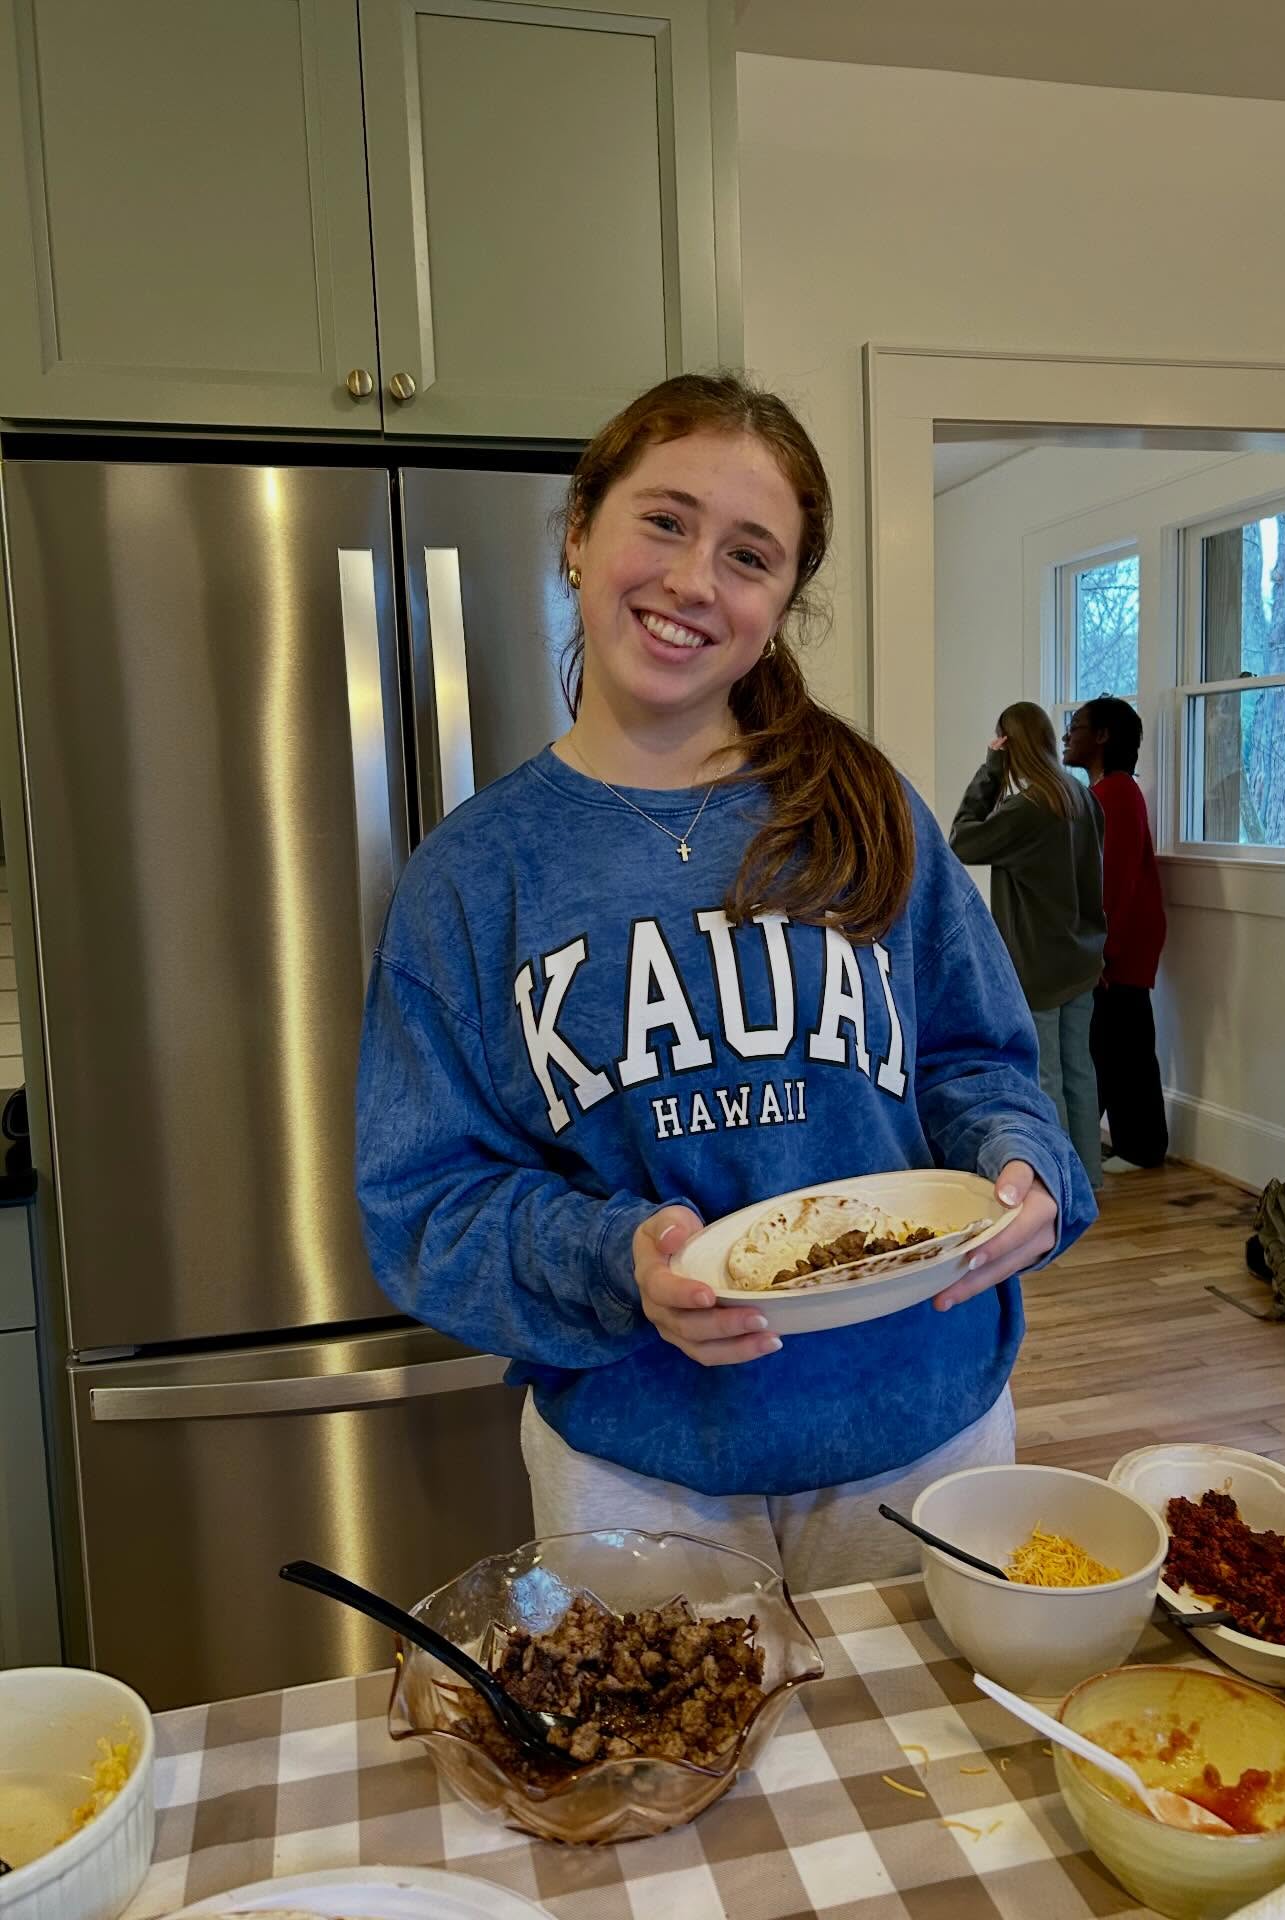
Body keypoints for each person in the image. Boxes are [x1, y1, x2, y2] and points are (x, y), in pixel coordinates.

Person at [355, 373, 1095, 1592]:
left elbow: (979, 1062)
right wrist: (617, 1260)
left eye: (749, 555)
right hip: (637, 1471)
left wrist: (1020, 1164)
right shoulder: (475, 877)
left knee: (922, 1781)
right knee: (660, 1782)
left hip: (924, 1436)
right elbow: (425, 1205)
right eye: (664, 521)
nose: (696, 580)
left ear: (781, 604)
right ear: (579, 532)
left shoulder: (870, 814)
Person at [948, 705, 1106, 1193]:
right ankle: (1088, 1178)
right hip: (1081, 958)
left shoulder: (1031, 808)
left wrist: (990, 771)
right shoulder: (1081, 798)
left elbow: (962, 840)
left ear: (1009, 744)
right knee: (1079, 1070)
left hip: (1037, 964)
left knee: (1047, 1077)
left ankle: (1060, 1183)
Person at [1063, 697, 1169, 1172]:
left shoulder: (1118, 795)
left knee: (1122, 1044)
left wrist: (1100, 952)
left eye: (1077, 726)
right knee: (1114, 1042)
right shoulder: (1106, 794)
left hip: (1118, 948)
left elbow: (1116, 881)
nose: (1068, 734)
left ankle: (1141, 1147)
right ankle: (1126, 1141)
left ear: (1102, 736)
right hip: (1111, 946)